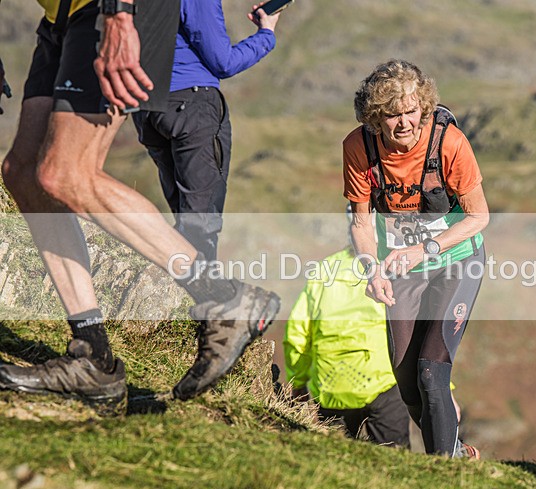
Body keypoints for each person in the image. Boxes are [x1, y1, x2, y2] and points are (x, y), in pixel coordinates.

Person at [0, 0, 280, 415]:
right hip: (59, 17)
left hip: (118, 9)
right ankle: (91, 356)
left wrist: (119, 12)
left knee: (67, 174)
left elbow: (220, 59)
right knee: (22, 173)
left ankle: (223, 298)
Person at [343, 59, 489, 458]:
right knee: (408, 383)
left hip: (457, 258)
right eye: (392, 115)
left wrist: (427, 247)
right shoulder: (359, 148)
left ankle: (445, 473)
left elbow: (480, 217)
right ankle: (454, 453)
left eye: (411, 112)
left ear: (423, 109)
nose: (404, 123)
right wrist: (372, 269)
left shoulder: (450, 143)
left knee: (430, 372)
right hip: (401, 267)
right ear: (375, 118)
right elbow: (360, 222)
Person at [132, 0, 280, 261]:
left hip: (147, 109)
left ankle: (177, 291)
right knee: (200, 221)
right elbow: (223, 63)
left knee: (182, 215)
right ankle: (204, 295)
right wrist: (266, 35)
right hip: (191, 106)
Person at [283, 242, 410, 448]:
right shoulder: (394, 266)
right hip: (383, 380)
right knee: (396, 463)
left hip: (331, 384)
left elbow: (297, 333)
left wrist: (297, 383)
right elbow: (413, 331)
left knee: (337, 461)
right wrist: (441, 389)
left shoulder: (324, 269)